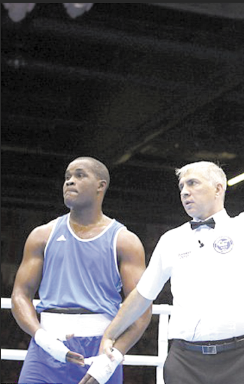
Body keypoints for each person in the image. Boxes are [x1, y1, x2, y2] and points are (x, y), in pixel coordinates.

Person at [79, 110, 244, 383]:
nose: (184, 191)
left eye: (192, 183)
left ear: (219, 188)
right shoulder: (171, 239)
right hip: (183, 360)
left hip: (237, 359)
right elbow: (143, 295)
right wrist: (110, 333)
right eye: (181, 185)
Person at [11, 156, 152, 384]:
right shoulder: (42, 236)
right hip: (46, 348)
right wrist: (41, 337)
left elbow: (142, 306)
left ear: (100, 185)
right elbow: (20, 294)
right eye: (67, 177)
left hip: (102, 349)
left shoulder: (124, 241)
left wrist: (112, 359)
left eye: (79, 175)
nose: (69, 182)